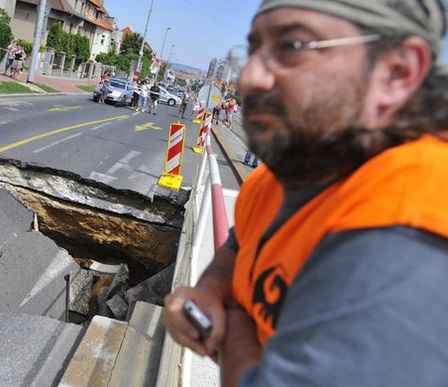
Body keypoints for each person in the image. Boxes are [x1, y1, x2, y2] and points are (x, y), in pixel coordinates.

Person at [163, 1, 448, 386]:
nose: (249, 77)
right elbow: (238, 244)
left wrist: (233, 326)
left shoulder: (407, 236)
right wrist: (211, 289)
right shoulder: (289, 175)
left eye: (293, 46)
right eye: (253, 49)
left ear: (397, 73)